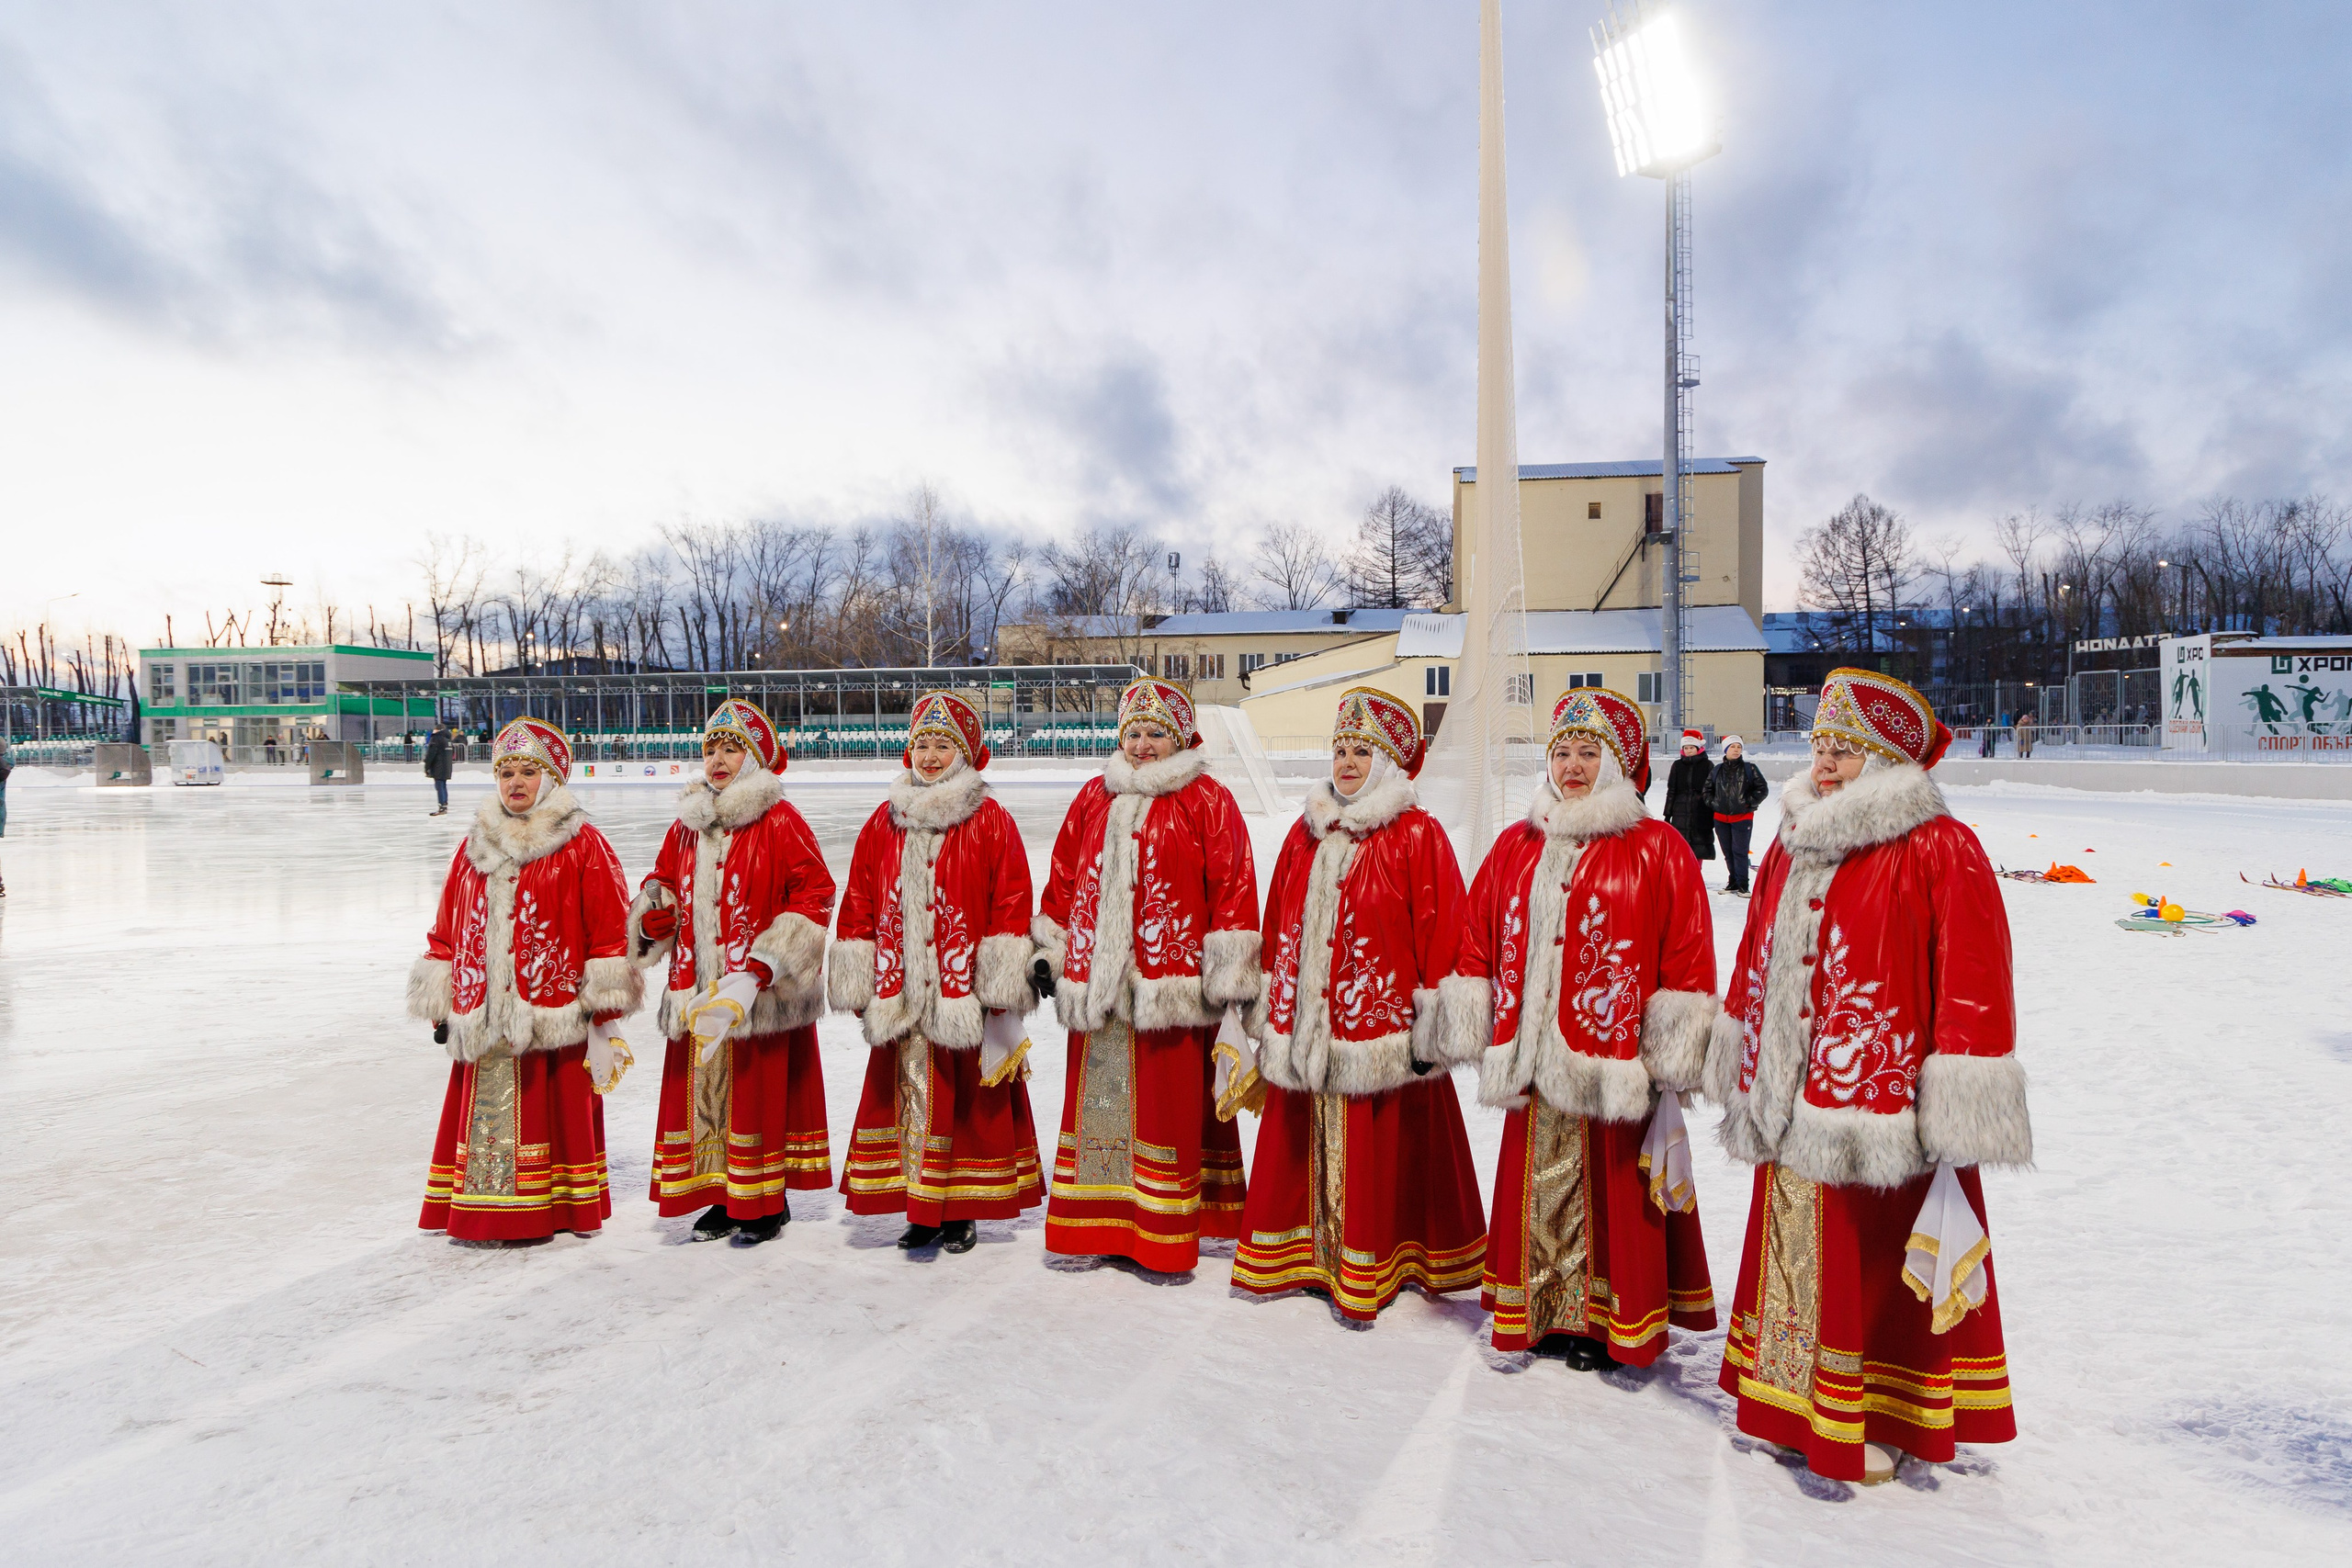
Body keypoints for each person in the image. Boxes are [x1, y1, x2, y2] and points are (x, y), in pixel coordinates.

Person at [1706, 668, 2030, 1485]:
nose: (1826, 762)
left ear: (1887, 760)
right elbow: (1756, 952)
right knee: (1795, 1247)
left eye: (1847, 749)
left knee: (1875, 1259)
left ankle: (1883, 1414)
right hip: (1792, 1089)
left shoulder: (1938, 846)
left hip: (1883, 1103)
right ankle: (1788, 1401)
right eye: (1821, 744)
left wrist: (1961, 1101)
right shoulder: (1791, 839)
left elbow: (1975, 975)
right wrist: (1743, 1051)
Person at [1434, 689, 1720, 1369]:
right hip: (1534, 1058)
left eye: (1588, 753)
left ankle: (1608, 1322)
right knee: (1541, 1179)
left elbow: (1687, 952)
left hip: (1617, 1061)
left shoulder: (1659, 848)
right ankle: (1544, 1310)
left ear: (1619, 764)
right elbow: (1478, 934)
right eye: (1561, 752)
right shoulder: (1516, 845)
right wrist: (1472, 1013)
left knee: (1613, 1193)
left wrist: (1673, 1054)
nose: (1571, 765)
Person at [1231, 688, 1486, 1322]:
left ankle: (1380, 1255)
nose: (1346, 761)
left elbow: (1445, 928)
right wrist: (1266, 997)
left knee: (1386, 1147)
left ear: (1391, 761)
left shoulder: (1416, 835)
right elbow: (1277, 912)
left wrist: (1437, 1028)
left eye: (1362, 750)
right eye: (1340, 748)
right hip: (1305, 1025)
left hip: (1384, 1035)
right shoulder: (1305, 831)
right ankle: (1308, 1252)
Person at [1034, 676, 1261, 1273]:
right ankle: (1099, 1227)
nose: (1141, 744)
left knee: (1166, 1112)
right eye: (1132, 731)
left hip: (1172, 991)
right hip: (1099, 991)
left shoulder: (1207, 799)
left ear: (1181, 737)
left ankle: (1161, 1233)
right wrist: (1049, 951)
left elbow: (1233, 888)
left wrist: (1231, 980)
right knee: (1102, 1108)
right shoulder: (1094, 796)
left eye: (1155, 732)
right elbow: (1063, 877)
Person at [407, 717, 640, 1243]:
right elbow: (448, 925)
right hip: (485, 1014)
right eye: (505, 771)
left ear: (553, 777)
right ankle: (485, 1210)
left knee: (551, 1106)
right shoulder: (474, 848)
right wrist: (444, 998)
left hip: (554, 1012)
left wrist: (604, 1014)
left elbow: (609, 932)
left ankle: (552, 1210)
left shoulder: (583, 844)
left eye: (528, 772)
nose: (515, 782)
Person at [830, 691, 1043, 1253]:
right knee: (909, 1092)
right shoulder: (885, 820)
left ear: (966, 754)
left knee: (967, 1098)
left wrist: (1000, 979)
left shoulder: (990, 819)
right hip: (902, 987)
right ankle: (921, 1207)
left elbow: (1011, 897)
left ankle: (961, 1208)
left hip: (961, 990)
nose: (929, 755)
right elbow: (860, 895)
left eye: (942, 745)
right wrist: (858, 964)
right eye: (921, 743)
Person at [629, 699, 834, 1246]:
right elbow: (663, 880)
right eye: (711, 750)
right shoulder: (687, 826)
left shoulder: (780, 820)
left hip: (758, 991)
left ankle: (765, 1201)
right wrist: (655, 912)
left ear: (753, 758)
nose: (718, 760)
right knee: (708, 1094)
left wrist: (767, 964)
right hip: (698, 988)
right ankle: (722, 1195)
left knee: (755, 1093)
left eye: (731, 749)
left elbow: (815, 892)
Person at [1709, 734, 1770, 895]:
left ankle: (1743, 884)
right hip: (1721, 818)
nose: (1736, 750)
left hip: (1742, 818)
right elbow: (1707, 791)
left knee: (1740, 851)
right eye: (1732, 747)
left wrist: (1748, 803)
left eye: (1739, 747)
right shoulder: (1717, 770)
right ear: (1726, 750)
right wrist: (1714, 803)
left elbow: (1762, 789)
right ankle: (1733, 882)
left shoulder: (1750, 769)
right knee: (1727, 852)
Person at [1662, 727, 1716, 863]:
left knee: (1699, 845)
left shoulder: (1708, 765)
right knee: (1681, 846)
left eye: (1691, 747)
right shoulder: (1677, 765)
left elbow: (1711, 789)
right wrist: (1668, 814)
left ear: (1698, 748)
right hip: (1680, 810)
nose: (1689, 750)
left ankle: (1697, 872)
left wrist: (1711, 809)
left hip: (1701, 810)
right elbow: (1671, 790)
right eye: (1686, 748)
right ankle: (1684, 874)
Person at [424, 723, 453, 816]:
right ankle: (444, 805)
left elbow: (431, 754)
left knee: (439, 786)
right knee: (443, 786)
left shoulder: (436, 739)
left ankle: (441, 807)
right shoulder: (448, 740)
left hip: (438, 767)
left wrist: (427, 766)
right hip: (446, 767)